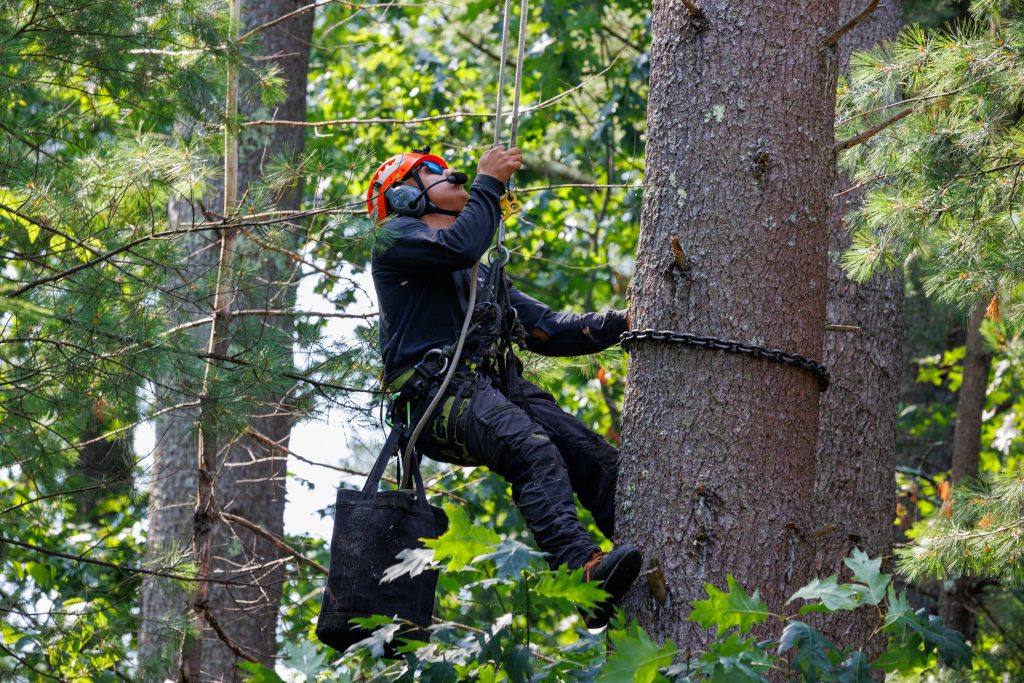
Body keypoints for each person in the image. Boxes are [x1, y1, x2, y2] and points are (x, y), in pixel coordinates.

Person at [367, 144, 641, 628]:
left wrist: (626, 323)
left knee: (592, 456)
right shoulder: (394, 239)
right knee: (531, 449)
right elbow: (460, 244)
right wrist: (489, 184)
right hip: (437, 399)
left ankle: (641, 552)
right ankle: (583, 574)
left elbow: (547, 329)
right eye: (428, 172)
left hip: (493, 390)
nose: (446, 173)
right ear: (405, 198)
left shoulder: (479, 270)